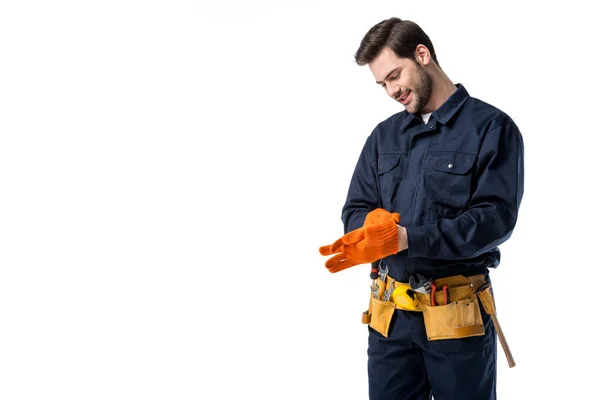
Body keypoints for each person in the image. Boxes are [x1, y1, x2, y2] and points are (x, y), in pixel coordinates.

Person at [318, 17, 524, 399]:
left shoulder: (492, 128)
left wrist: (406, 239)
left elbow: (494, 219)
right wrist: (372, 228)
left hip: (456, 319)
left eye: (395, 76)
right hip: (390, 321)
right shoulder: (383, 137)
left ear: (422, 54)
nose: (391, 90)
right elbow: (355, 208)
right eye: (382, 84)